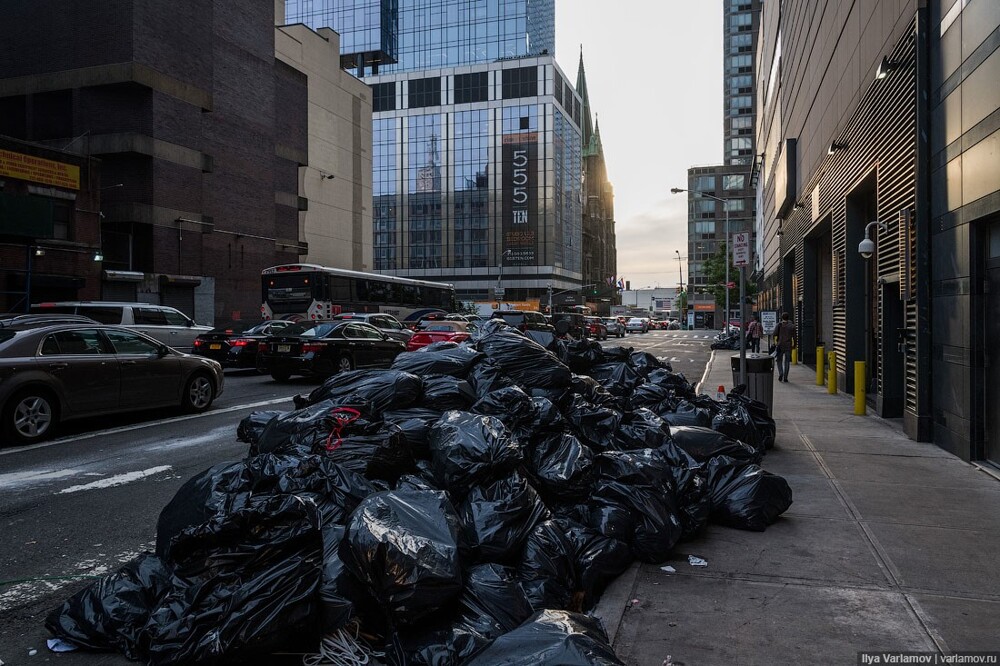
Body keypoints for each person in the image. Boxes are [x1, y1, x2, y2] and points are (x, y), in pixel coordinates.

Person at [774, 312, 796, 382]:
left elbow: (774, 334)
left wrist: (776, 342)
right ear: (788, 318)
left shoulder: (779, 325)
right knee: (787, 362)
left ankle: (781, 373)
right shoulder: (792, 326)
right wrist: (794, 345)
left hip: (780, 345)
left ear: (782, 318)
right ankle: (785, 377)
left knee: (779, 360)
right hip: (788, 345)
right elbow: (795, 337)